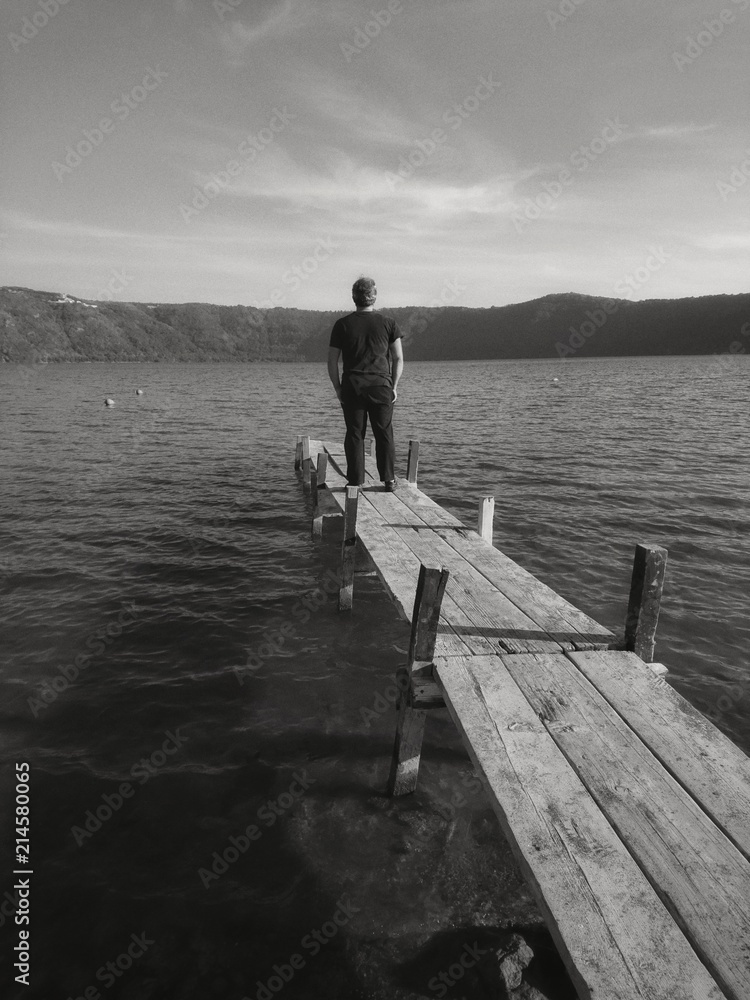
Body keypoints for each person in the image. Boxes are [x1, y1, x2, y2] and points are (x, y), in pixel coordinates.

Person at [328, 276, 404, 490]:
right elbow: (398, 358)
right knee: (384, 433)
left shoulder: (342, 325)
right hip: (381, 386)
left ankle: (355, 481)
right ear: (374, 296)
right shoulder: (389, 323)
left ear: (354, 297)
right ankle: (388, 480)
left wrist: (338, 388)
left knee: (354, 434)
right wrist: (394, 386)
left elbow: (332, 361)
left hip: (353, 386)